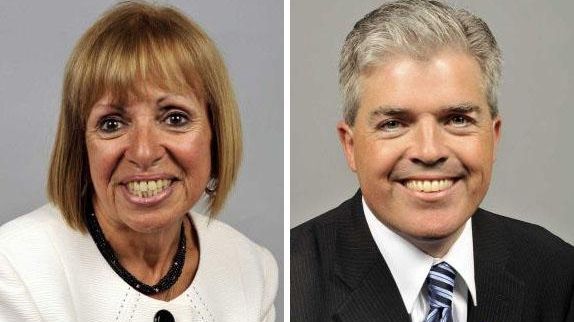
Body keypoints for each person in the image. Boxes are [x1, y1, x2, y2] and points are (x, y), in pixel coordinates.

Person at [291, 0, 574, 321]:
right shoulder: (290, 287)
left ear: (493, 137)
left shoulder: (559, 275)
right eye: (393, 124)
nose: (429, 151)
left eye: (457, 119)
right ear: (350, 146)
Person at [0, 2, 277, 321]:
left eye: (175, 118)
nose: (144, 152)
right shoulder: (17, 271)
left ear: (217, 133)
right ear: (81, 146)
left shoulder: (252, 272)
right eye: (112, 124)